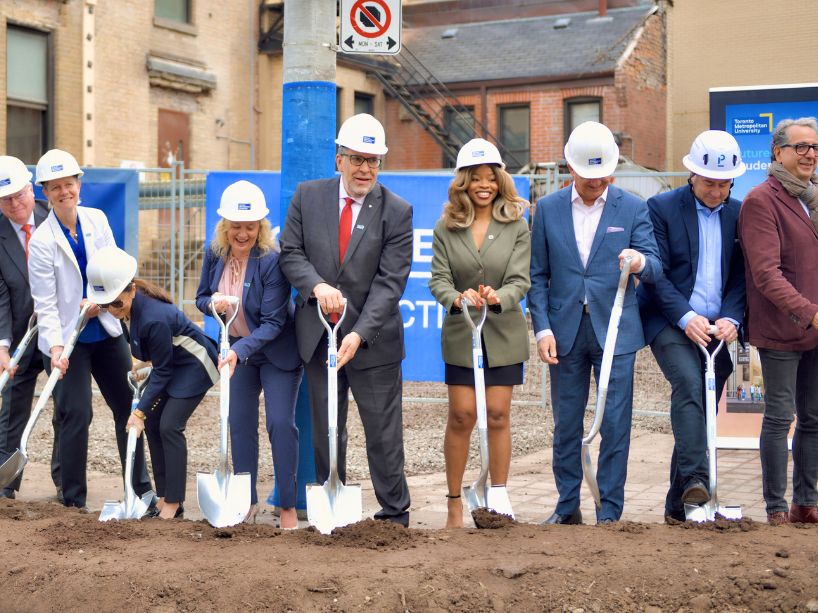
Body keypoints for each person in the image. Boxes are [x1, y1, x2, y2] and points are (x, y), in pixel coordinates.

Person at [279, 113, 413, 526]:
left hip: (373, 342)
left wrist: (358, 333)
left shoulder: (396, 211)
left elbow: (390, 283)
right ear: (339, 159)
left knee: (383, 433)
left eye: (373, 160)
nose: (365, 169)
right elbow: (290, 252)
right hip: (320, 338)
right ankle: (332, 510)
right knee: (327, 428)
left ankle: (395, 514)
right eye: (357, 159)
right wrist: (316, 286)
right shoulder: (308, 197)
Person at [528, 121, 661, 524]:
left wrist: (639, 262)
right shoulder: (548, 209)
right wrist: (542, 329)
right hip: (564, 332)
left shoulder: (632, 207)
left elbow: (655, 265)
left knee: (616, 423)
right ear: (570, 168)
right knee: (566, 423)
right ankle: (567, 506)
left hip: (616, 331)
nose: (596, 182)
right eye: (588, 175)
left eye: (603, 175)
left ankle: (610, 511)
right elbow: (537, 275)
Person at [27, 149, 153, 510]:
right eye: (55, 187)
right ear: (45, 193)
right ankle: (73, 500)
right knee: (76, 413)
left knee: (129, 407)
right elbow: (45, 302)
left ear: (79, 184)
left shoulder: (97, 220)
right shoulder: (41, 242)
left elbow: (114, 269)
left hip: (106, 331)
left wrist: (104, 301)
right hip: (68, 340)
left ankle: (140, 492)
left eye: (69, 184)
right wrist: (55, 349)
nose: (64, 192)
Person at [637, 130, 746, 523]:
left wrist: (731, 317)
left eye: (724, 184)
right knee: (687, 381)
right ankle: (699, 479)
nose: (717, 192)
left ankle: (678, 505)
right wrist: (686, 317)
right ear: (692, 175)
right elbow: (657, 275)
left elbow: (741, 276)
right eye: (709, 183)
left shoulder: (740, 214)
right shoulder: (661, 208)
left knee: (700, 406)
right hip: (669, 318)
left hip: (717, 326)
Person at [428, 139, 531, 528]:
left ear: (500, 180)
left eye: (490, 177)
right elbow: (438, 279)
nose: (483, 185)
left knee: (498, 414)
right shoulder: (446, 227)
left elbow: (520, 280)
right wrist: (457, 298)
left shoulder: (516, 225)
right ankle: (454, 502)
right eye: (475, 178)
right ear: (463, 182)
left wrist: (498, 296)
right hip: (463, 331)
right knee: (462, 415)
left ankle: (498, 495)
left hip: (503, 332)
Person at [195, 180, 303, 528]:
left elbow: (273, 322)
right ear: (225, 226)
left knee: (280, 423)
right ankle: (246, 502)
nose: (243, 234)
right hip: (238, 352)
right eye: (236, 226)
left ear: (261, 227)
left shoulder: (271, 260)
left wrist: (238, 351)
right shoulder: (214, 252)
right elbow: (200, 297)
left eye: (250, 227)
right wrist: (212, 303)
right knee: (239, 423)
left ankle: (287, 506)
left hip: (276, 353)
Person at [87, 246, 218, 520]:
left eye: (116, 303)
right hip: (172, 364)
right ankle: (164, 495)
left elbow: (164, 371)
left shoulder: (153, 318)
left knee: (170, 425)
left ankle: (174, 501)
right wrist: (143, 364)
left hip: (196, 364)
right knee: (155, 422)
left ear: (132, 290)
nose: (111, 310)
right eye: (105, 305)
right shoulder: (129, 310)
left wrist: (138, 413)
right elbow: (157, 358)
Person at [738, 117, 818, 525]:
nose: (810, 154)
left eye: (814, 147)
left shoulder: (812, 198)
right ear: (778, 153)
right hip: (783, 328)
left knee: (814, 418)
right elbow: (766, 274)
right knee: (780, 417)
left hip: (815, 330)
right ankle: (776, 507)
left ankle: (806, 502)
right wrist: (809, 312)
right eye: (801, 147)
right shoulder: (761, 200)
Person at [0, 156, 62, 500]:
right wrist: (2, 344)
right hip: (20, 334)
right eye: (5, 199)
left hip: (58, 334)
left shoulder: (55, 217)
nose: (14, 204)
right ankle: (5, 484)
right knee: (11, 410)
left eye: (19, 195)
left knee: (67, 408)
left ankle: (67, 486)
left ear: (31, 188)